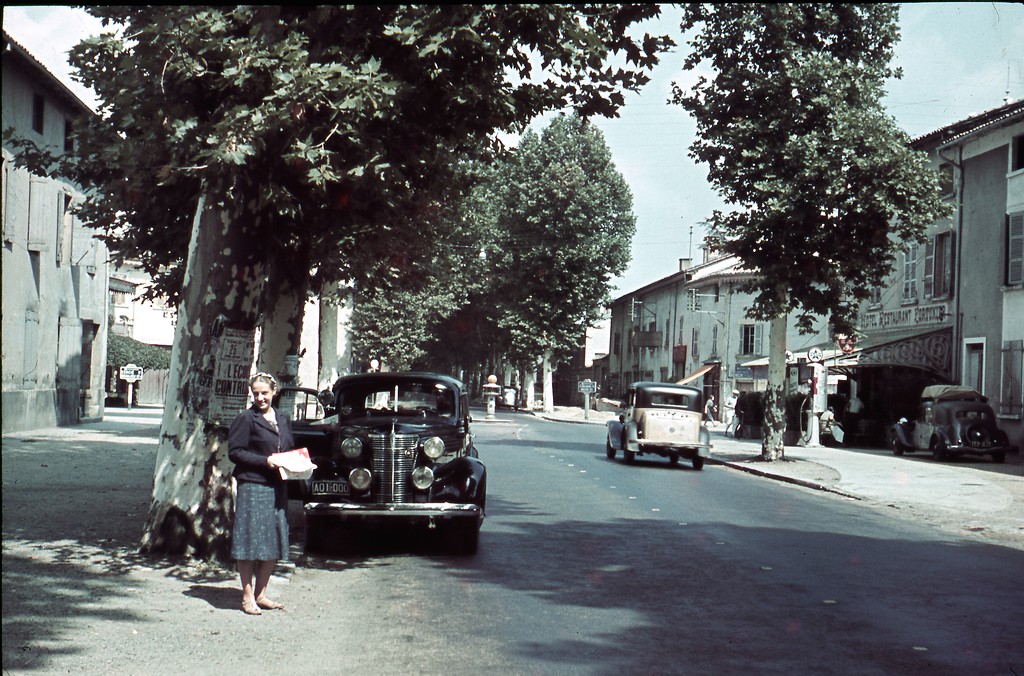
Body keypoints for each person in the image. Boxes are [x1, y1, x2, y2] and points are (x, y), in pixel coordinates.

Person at [228, 372, 295, 616]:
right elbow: (235, 452)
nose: (260, 397)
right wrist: (264, 461)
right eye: (255, 393)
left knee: (274, 539)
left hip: (278, 485)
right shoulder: (245, 419)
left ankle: (261, 594)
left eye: (264, 393)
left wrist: (297, 462)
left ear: (273, 392)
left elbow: (287, 447)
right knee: (249, 541)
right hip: (253, 484)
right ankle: (247, 597)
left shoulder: (283, 418)